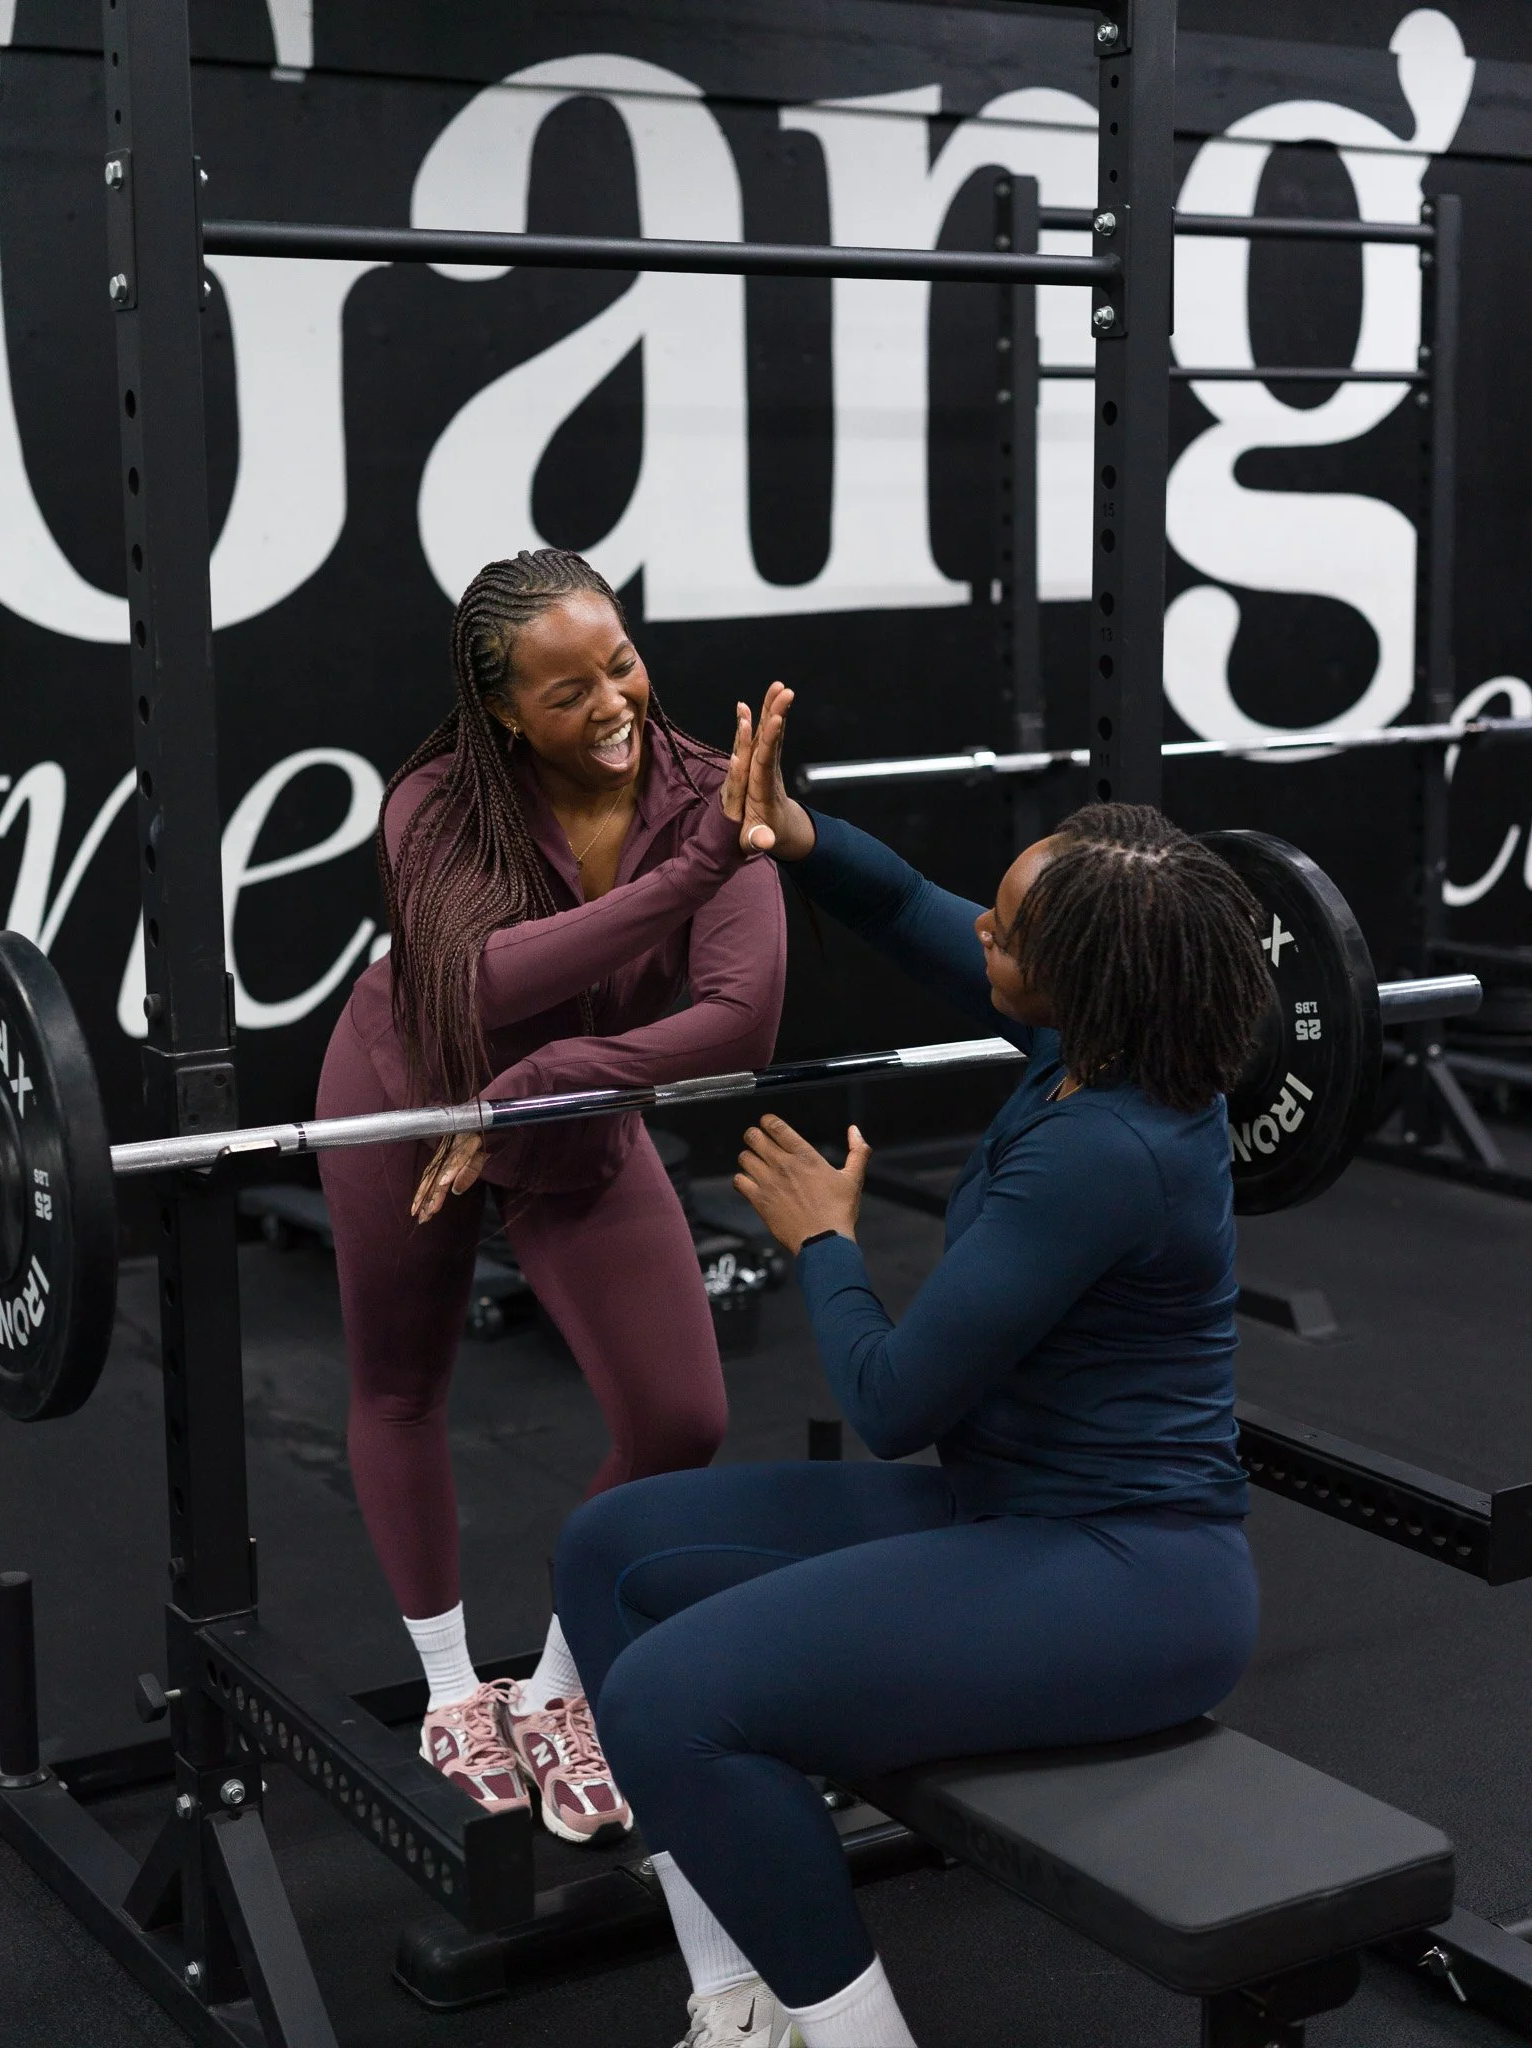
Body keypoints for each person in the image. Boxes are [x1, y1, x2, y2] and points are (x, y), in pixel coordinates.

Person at [553, 682, 1275, 2048]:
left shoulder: (1101, 1151)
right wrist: (794, 832)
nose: (982, 930)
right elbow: (904, 909)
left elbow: (889, 1404)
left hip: (1130, 1581)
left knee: (672, 1702)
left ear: (1079, 975)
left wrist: (824, 1240)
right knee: (610, 1549)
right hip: (1010, 1513)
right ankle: (737, 1997)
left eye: (1010, 929)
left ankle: (856, 2035)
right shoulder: (1092, 1040)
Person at [316, 550, 785, 1845]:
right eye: (567, 689)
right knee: (401, 1385)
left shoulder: (706, 785)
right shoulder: (435, 799)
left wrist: (553, 1082)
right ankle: (455, 1687)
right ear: (505, 714)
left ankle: (560, 1691)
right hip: (406, 1094)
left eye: (619, 660)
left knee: (679, 1414)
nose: (613, 701)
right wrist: (683, 881)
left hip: (567, 1109)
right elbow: (461, 987)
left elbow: (741, 1022)